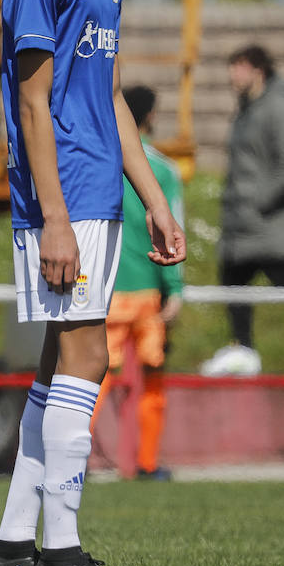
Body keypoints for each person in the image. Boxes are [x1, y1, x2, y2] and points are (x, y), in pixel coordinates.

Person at [0, 0, 184, 566]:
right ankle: (61, 553)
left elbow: (106, 98)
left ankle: (11, 545)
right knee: (88, 355)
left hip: (101, 190)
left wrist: (155, 199)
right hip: (60, 196)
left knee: (58, 362)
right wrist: (55, 218)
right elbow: (34, 104)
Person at [204, 44, 284, 375]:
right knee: (233, 277)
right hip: (246, 223)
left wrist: (259, 202)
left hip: (271, 221)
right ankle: (243, 349)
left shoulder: (279, 107)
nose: (232, 75)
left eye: (238, 67)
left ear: (256, 69)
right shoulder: (248, 107)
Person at [99, 86, 184, 480]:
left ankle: (73, 458)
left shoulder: (104, 162)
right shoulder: (163, 170)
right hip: (148, 291)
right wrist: (176, 288)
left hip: (109, 287)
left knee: (94, 376)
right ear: (148, 117)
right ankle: (148, 463)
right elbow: (171, 232)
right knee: (153, 376)